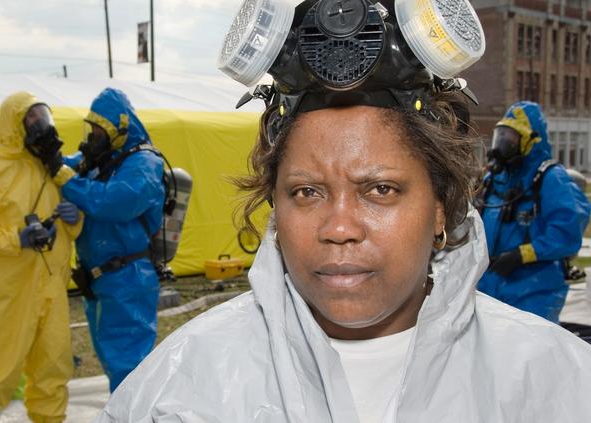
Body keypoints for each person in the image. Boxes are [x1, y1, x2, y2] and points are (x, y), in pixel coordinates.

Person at [96, 1, 591, 421]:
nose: (338, 228)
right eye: (307, 192)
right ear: (274, 206)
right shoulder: (180, 387)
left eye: (379, 189)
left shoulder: (552, 380)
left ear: (442, 208)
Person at [0, 91, 82, 423]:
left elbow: (76, 231)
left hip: (51, 289)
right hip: (5, 292)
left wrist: (74, 217)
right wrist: (15, 239)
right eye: (31, 118)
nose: (40, 125)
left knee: (53, 370)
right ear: (14, 122)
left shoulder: (54, 170)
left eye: (42, 116)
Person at [61, 87, 165, 392]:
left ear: (118, 130)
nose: (91, 137)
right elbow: (66, 166)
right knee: (112, 360)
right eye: (90, 129)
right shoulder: (103, 158)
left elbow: (116, 201)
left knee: (130, 368)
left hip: (128, 279)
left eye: (97, 131)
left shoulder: (144, 163)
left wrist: (70, 184)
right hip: (100, 279)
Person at [477, 101, 590, 323]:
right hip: (489, 284)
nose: (502, 146)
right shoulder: (494, 178)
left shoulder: (550, 178)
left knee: (527, 352)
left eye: (510, 140)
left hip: (533, 290)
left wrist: (522, 255)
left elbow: (567, 233)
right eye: (500, 137)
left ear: (530, 141)